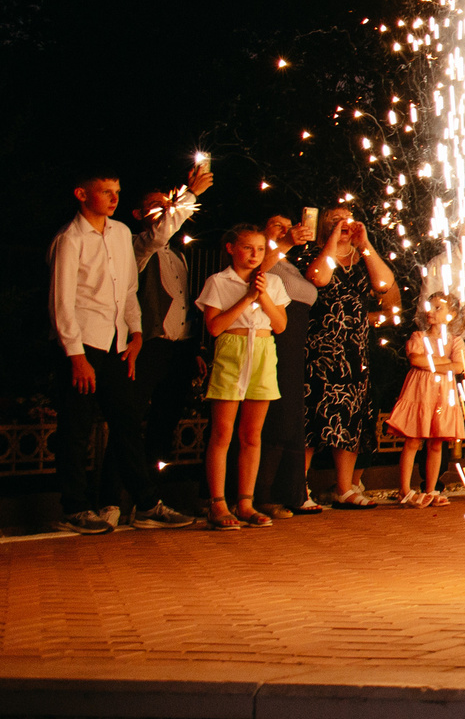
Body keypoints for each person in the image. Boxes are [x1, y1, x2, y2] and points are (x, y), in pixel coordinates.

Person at [48, 169, 196, 533]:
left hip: (116, 343)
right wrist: (76, 355)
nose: (113, 197)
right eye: (105, 191)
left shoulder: (119, 234)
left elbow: (127, 289)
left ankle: (145, 503)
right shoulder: (70, 239)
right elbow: (62, 302)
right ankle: (75, 507)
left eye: (116, 191)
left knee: (127, 421)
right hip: (83, 343)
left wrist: (134, 332)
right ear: (82, 194)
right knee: (77, 426)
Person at [130, 163, 215, 512]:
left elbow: (183, 306)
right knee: (130, 423)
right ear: (137, 214)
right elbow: (159, 234)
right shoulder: (138, 245)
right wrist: (189, 195)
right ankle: (112, 499)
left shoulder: (178, 254)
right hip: (149, 346)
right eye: (154, 204)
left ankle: (153, 499)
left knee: (165, 426)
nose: (163, 208)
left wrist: (193, 348)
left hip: (178, 350)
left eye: (166, 203)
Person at [303, 210, 398, 509]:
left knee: (350, 416)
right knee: (311, 415)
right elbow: (319, 278)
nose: (343, 224)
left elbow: (383, 284)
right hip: (320, 349)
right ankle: (299, 487)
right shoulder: (312, 254)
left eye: (348, 219)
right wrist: (333, 240)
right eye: (335, 220)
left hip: (354, 350)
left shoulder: (362, 257)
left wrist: (364, 243)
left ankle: (343, 488)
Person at [196, 222, 289, 530]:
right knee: (222, 433)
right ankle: (218, 503)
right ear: (231, 249)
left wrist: (262, 297)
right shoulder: (218, 281)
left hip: (263, 351)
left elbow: (279, 325)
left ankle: (246, 502)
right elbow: (214, 327)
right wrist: (246, 298)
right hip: (232, 351)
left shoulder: (272, 282)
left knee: (252, 434)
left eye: (260, 249)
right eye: (248, 248)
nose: (254, 254)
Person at [250, 212, 320, 518]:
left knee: (290, 415)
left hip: (294, 343)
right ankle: (259, 494)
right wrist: (284, 242)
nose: (285, 229)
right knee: (274, 416)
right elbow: (256, 270)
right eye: (275, 224)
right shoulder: (263, 256)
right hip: (273, 339)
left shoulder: (290, 263)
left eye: (287, 224)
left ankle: (289, 491)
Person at [387, 293, 465, 506]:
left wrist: (431, 362)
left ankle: (430, 489)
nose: (431, 311)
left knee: (436, 444)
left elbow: (458, 366)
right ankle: (404, 489)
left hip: (441, 397)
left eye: (438, 308)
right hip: (419, 394)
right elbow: (416, 359)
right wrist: (442, 362)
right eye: (430, 307)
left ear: (452, 314)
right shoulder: (419, 337)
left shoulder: (455, 341)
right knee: (412, 440)